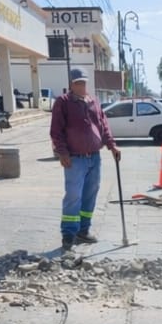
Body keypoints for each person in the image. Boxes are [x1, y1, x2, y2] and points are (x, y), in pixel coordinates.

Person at [49, 68, 120, 251]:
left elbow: (103, 125)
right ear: (71, 84)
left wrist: (112, 146)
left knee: (90, 194)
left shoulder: (93, 101)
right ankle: (68, 234)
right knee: (73, 196)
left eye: (83, 82)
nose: (81, 85)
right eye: (78, 83)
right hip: (75, 159)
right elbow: (56, 131)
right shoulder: (63, 102)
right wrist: (62, 153)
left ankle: (83, 230)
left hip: (94, 158)